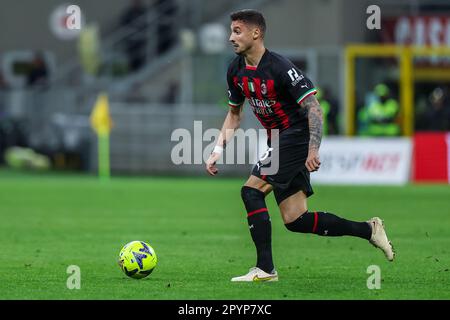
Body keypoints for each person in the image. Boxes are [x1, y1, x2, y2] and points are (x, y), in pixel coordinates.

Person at [205, 9, 395, 282]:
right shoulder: (235, 70)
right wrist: (217, 150)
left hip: (295, 136)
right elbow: (235, 115)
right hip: (279, 141)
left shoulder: (281, 68)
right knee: (296, 219)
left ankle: (265, 269)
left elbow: (314, 108)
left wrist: (313, 149)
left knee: (251, 191)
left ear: (256, 33)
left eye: (237, 31)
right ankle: (369, 229)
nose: (230, 37)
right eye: (231, 31)